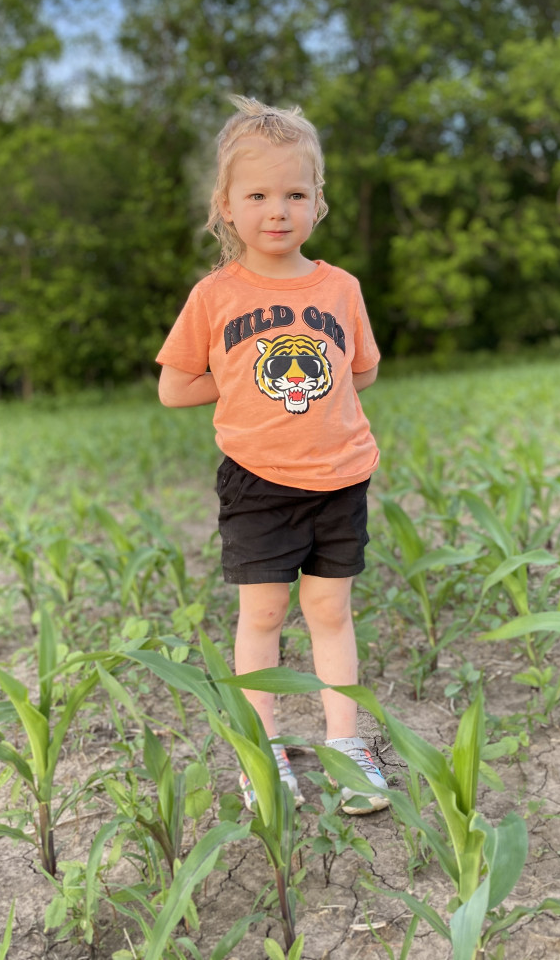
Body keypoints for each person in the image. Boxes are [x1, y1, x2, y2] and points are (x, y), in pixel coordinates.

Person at [156, 95, 389, 815]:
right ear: (226, 205)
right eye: (258, 194)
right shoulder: (217, 295)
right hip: (258, 482)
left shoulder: (340, 288)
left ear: (319, 202)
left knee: (330, 609)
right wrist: (242, 384)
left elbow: (364, 367)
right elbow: (174, 385)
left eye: (295, 192)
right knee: (261, 617)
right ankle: (264, 750)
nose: (277, 210)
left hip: (339, 477)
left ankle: (347, 745)